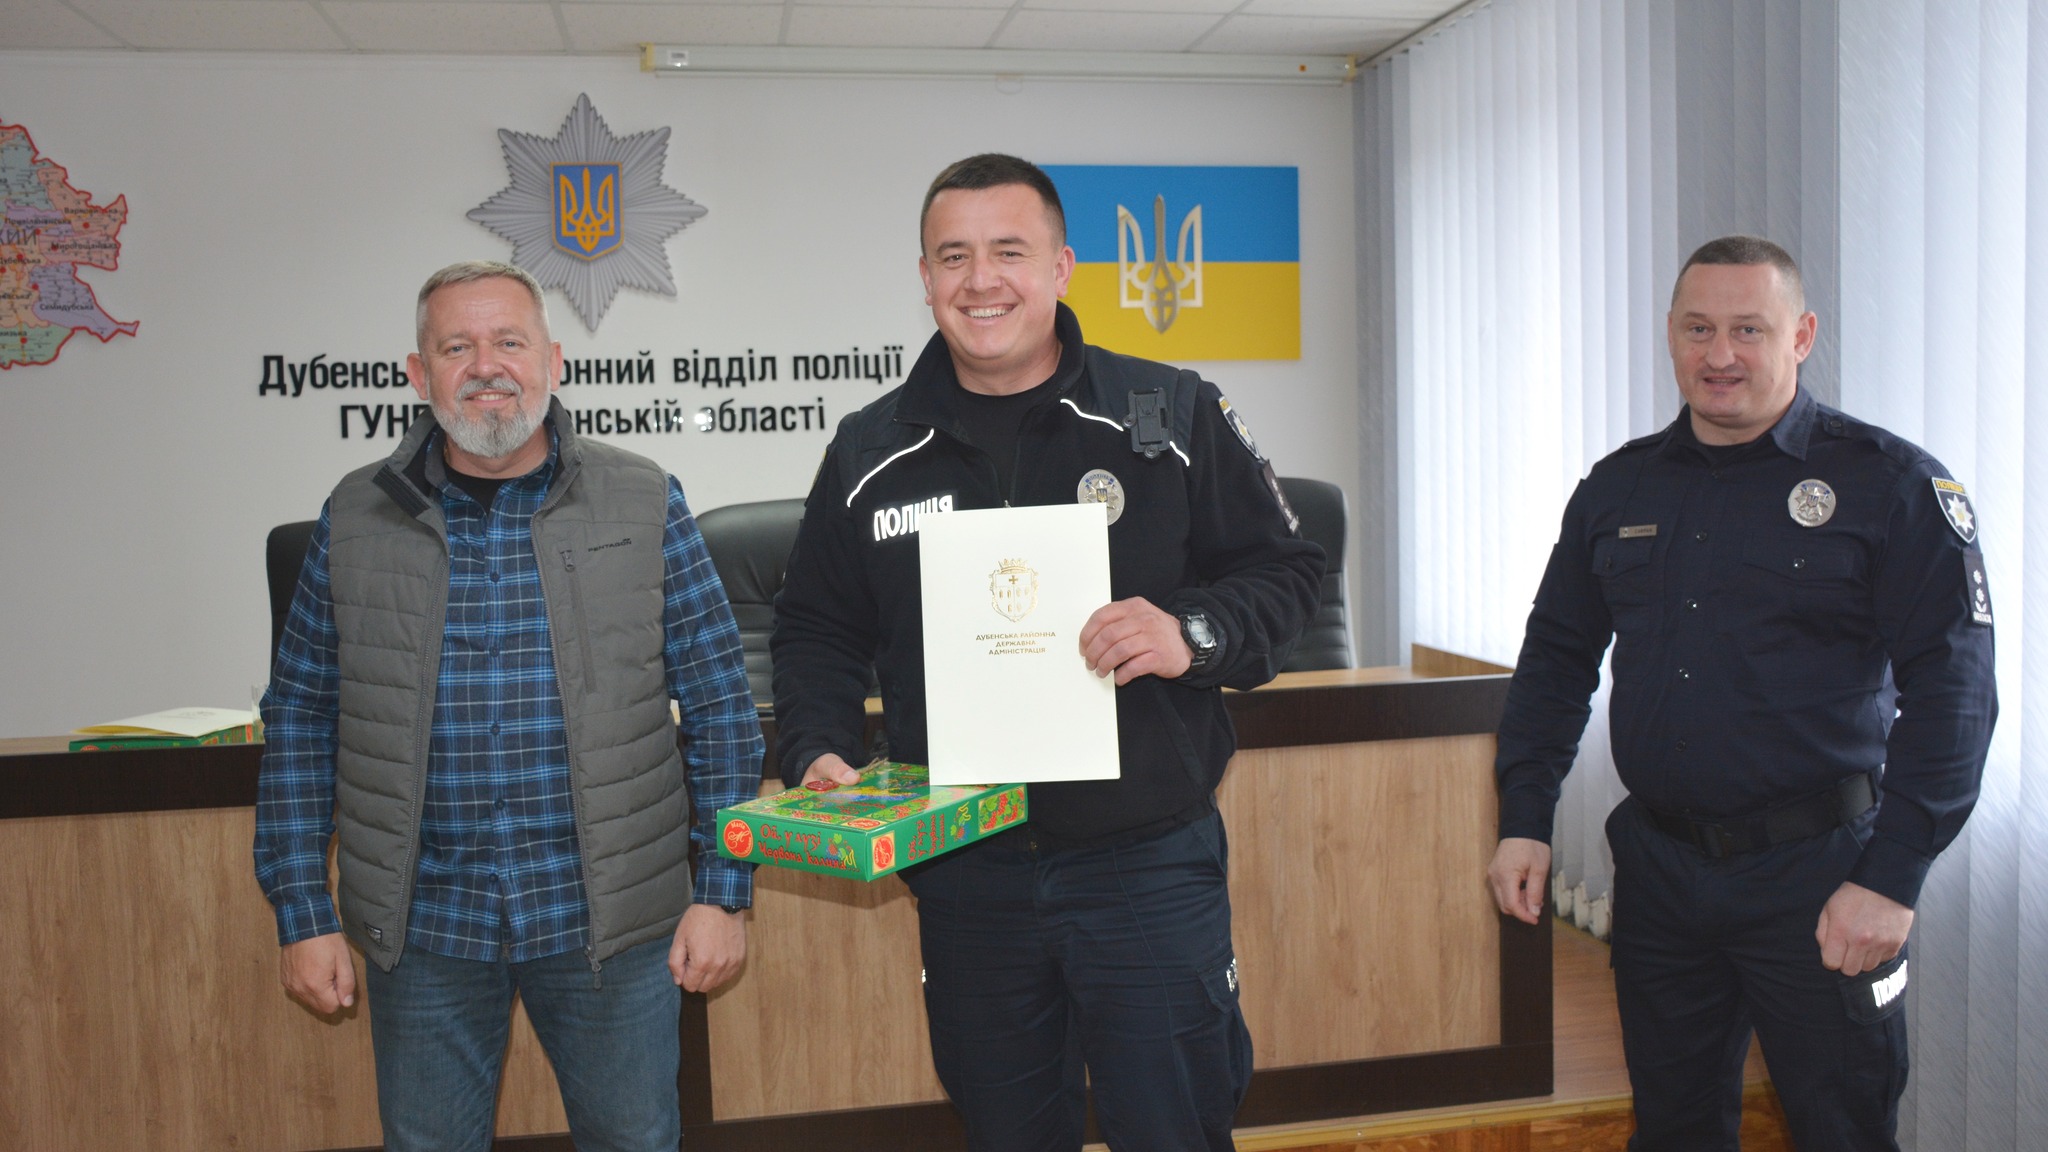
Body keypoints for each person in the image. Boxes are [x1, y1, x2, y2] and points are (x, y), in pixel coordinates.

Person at [770, 154, 1324, 1150]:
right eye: (953, 256)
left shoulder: (1171, 413)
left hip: (1145, 863)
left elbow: (1287, 571)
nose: (980, 280)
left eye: (1009, 251)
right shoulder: (867, 451)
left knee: (1175, 1129)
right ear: (925, 278)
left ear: (1062, 267)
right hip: (965, 870)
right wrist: (815, 744)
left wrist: (1188, 632)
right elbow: (815, 626)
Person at [1487, 235, 1998, 1150]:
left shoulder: (1891, 484)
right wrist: (1525, 815)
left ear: (1801, 336)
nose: (1720, 354)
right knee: (1673, 1130)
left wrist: (1890, 879)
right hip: (1662, 877)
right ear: (1671, 336)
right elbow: (1557, 660)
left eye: (1749, 330)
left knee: (1843, 1132)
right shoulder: (1619, 487)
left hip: (1824, 879)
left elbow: (1954, 695)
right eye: (1698, 329)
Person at [253, 260, 763, 1152]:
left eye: (509, 342)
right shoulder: (355, 515)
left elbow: (721, 703)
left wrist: (724, 892)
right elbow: (300, 718)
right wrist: (303, 908)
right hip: (425, 927)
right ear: (419, 373)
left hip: (611, 922)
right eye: (457, 347)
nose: (486, 366)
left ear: (553, 362)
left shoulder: (645, 499)